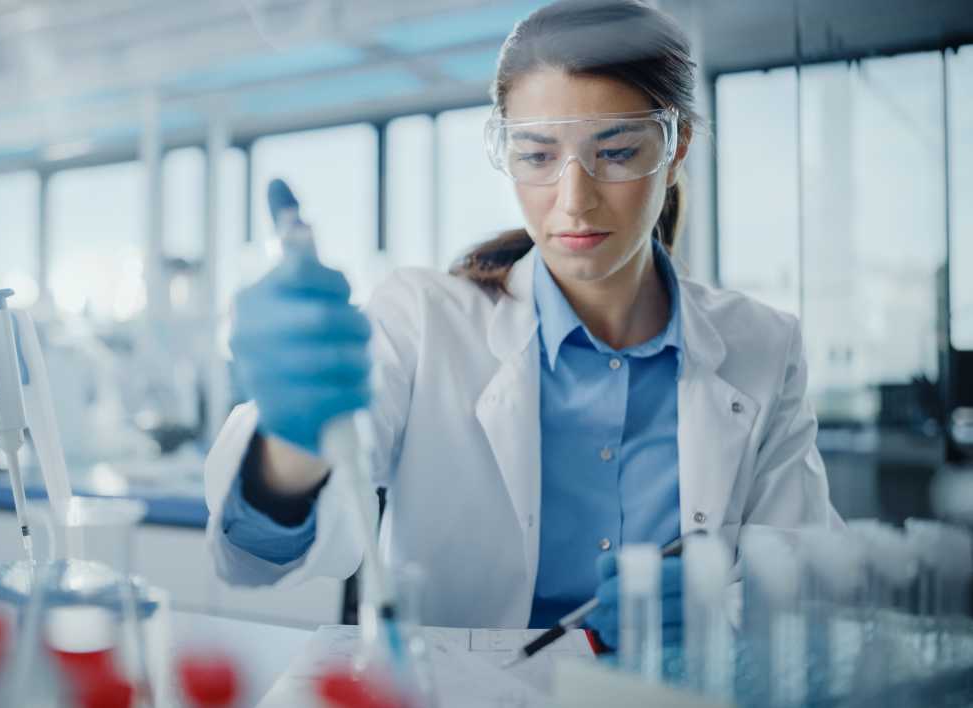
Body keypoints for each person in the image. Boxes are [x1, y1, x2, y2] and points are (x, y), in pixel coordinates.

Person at [203, 0, 842, 648]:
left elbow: (813, 581)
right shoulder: (423, 323)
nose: (574, 199)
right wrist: (291, 440)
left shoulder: (763, 346)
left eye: (616, 152)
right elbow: (263, 549)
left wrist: (724, 613)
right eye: (537, 157)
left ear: (675, 149)